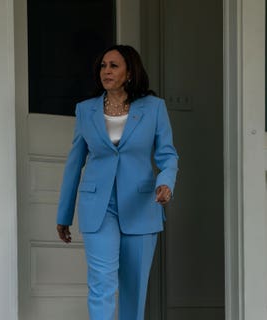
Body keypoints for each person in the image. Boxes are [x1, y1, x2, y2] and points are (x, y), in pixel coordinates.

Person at [56, 44, 179, 320]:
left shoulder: (154, 107)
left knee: (134, 290)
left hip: (141, 204)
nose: (106, 71)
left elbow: (167, 154)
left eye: (113, 65)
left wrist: (166, 183)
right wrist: (64, 214)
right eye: (103, 66)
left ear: (130, 72)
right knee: (101, 283)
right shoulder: (85, 110)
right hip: (98, 207)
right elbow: (75, 163)